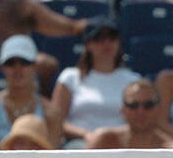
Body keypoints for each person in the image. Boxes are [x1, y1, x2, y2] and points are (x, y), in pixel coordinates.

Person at [50, 19, 140, 148]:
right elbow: (56, 121)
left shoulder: (133, 80)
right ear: (88, 44)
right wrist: (86, 134)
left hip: (122, 144)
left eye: (112, 37)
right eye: (99, 38)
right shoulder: (70, 77)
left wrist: (111, 137)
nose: (106, 43)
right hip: (81, 144)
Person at [0, 0, 85, 94]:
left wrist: (88, 26)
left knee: (46, 64)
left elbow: (68, 27)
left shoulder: (19, 5)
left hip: (19, 55)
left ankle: (41, 106)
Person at [0, 34, 60, 148]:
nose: (17, 68)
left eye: (24, 62)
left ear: (35, 66)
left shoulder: (51, 112)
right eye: (10, 62)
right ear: (2, 67)